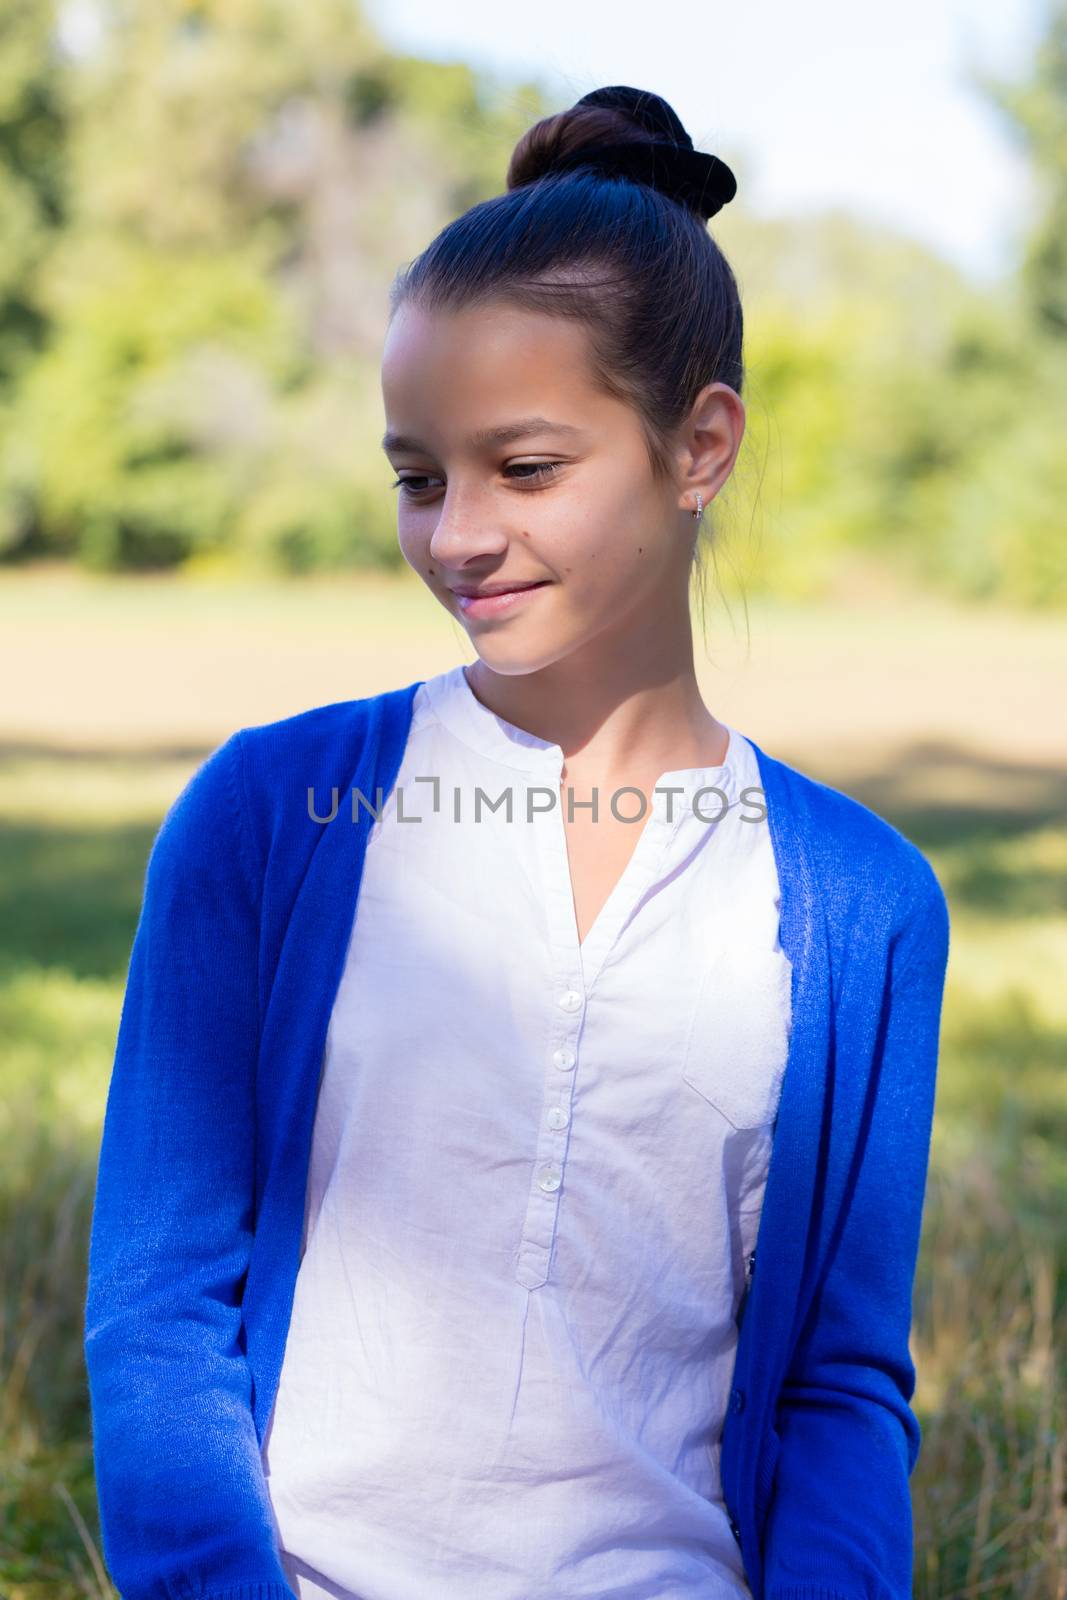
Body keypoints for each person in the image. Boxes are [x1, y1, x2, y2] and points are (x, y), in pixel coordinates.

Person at [83, 85, 951, 1600]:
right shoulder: (274, 815)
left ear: (701, 445)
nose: (455, 536)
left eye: (525, 469)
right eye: (419, 476)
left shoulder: (864, 905)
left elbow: (837, 1386)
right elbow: (161, 1309)